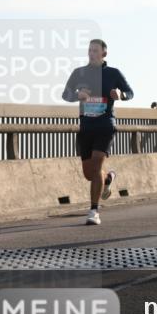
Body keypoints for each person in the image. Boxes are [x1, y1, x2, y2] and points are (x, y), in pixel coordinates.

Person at [62, 38, 134, 226]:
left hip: (105, 126)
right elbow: (65, 94)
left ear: (104, 53)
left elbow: (130, 92)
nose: (91, 53)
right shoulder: (79, 73)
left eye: (95, 50)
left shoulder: (113, 73)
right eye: (90, 50)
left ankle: (93, 211)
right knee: (89, 173)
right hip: (86, 127)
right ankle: (108, 178)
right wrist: (77, 95)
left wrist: (121, 95)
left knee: (95, 166)